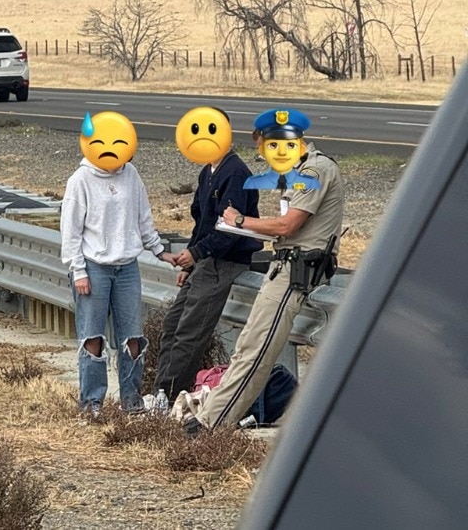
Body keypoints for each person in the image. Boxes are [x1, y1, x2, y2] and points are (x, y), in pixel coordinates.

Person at [185, 108, 345, 434]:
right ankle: (211, 417)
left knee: (255, 353)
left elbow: (288, 224)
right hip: (285, 266)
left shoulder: (315, 170)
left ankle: (210, 426)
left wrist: (241, 221)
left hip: (298, 271)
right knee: (247, 348)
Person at [61, 111, 174, 414]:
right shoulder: (80, 180)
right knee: (93, 337)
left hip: (127, 267)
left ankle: (132, 401)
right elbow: (70, 231)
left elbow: (143, 218)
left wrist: (159, 250)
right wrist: (79, 270)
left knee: (132, 337)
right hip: (93, 267)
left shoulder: (131, 175)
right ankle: (92, 402)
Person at [155, 107, 262, 400]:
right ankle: (161, 393)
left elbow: (227, 229)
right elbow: (201, 221)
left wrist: (197, 253)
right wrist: (190, 262)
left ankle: (171, 394)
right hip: (204, 260)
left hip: (224, 261)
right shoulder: (207, 172)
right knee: (172, 324)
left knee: (190, 331)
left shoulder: (237, 173)